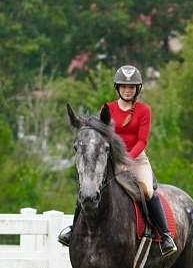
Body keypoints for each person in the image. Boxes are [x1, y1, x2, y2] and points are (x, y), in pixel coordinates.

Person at [59, 65, 177, 256]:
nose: (127, 90)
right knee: (90, 187)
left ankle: (164, 236)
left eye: (131, 87)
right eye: (124, 87)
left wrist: (127, 159)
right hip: (112, 158)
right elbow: (99, 137)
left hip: (137, 159)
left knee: (147, 191)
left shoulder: (143, 110)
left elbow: (142, 140)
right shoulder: (108, 109)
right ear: (118, 88)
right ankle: (73, 230)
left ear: (137, 89)